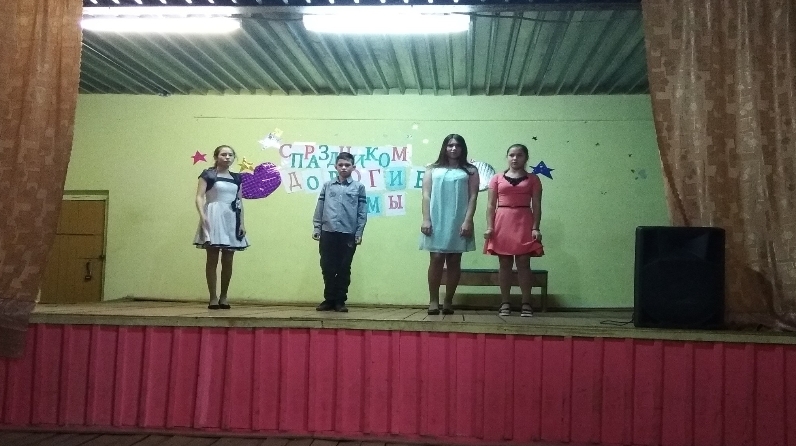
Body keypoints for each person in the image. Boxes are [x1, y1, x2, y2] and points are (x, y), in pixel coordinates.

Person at [420, 134, 480, 315]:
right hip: (436, 218)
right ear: (444, 147)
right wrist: (426, 218)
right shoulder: (432, 169)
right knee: (436, 258)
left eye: (457, 145)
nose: (454, 148)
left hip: (458, 219)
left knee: (454, 260)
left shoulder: (470, 170)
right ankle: (433, 300)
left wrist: (468, 220)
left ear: (462, 148)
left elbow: (473, 197)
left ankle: (448, 301)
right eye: (450, 145)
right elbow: (426, 195)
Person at [484, 144, 544, 317]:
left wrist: (535, 227)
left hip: (524, 220)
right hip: (502, 221)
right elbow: (490, 205)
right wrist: (490, 227)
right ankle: (505, 302)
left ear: (526, 158)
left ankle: (526, 303)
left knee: (524, 262)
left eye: (519, 155)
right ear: (507, 157)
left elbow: (537, 205)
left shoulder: (533, 179)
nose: (515, 158)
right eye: (511, 155)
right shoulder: (496, 178)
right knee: (504, 263)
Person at [194, 145, 249, 310]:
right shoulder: (208, 174)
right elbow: (199, 196)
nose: (227, 157)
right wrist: (202, 215)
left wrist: (242, 222)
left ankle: (224, 296)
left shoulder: (237, 178)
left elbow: (239, 201)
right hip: (213, 215)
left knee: (228, 259)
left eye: (230, 155)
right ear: (216, 157)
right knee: (212, 257)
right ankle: (213, 297)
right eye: (224, 154)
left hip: (231, 217)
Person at [312, 152, 368, 313]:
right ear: (336, 167)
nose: (344, 167)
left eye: (347, 165)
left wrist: (359, 232)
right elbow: (320, 208)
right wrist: (317, 227)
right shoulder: (328, 186)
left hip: (348, 234)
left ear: (353, 167)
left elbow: (362, 212)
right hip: (327, 232)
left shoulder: (359, 188)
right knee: (327, 267)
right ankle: (329, 299)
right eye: (341, 165)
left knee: (343, 268)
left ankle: (340, 301)